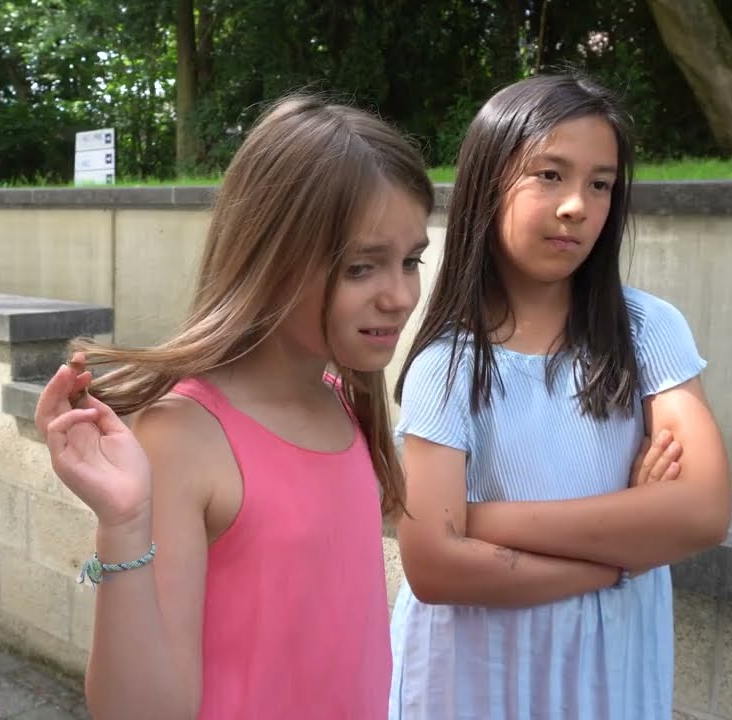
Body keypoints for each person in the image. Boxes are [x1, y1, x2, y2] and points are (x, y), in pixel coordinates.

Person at [34, 94, 435, 719]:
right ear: (268, 260)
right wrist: (121, 528)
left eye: (411, 261)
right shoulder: (184, 436)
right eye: (362, 268)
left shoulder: (342, 402)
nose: (400, 295)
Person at [388, 73, 731, 719]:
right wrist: (618, 550)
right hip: (474, 674)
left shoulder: (647, 331)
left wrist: (476, 520)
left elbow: (702, 512)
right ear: (489, 181)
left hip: (608, 670)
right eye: (549, 175)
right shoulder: (450, 363)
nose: (577, 204)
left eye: (600, 184)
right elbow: (433, 566)